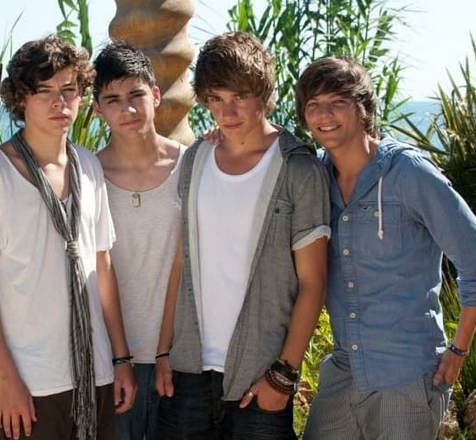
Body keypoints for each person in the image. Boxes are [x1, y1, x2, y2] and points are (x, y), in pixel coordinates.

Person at [297, 56, 476, 440]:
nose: (324, 115)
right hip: (343, 373)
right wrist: (220, 139)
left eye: (337, 103)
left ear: (363, 108)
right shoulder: (315, 176)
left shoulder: (409, 173)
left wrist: (458, 351)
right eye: (313, 105)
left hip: (406, 378)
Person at [0, 36, 136, 440]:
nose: (60, 103)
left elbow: (102, 266)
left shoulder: (89, 166)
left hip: (94, 374)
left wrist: (121, 358)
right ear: (21, 99)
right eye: (44, 91)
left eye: (69, 89)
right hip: (27, 383)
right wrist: (6, 378)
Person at [154, 31, 330, 439]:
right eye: (216, 98)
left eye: (239, 96)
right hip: (188, 370)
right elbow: (181, 261)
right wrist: (163, 350)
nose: (227, 111)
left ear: (263, 93)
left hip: (260, 373)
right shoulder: (196, 159)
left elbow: (314, 282)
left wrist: (284, 375)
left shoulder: (298, 169)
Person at [92, 40, 185, 440]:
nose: (127, 109)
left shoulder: (191, 164)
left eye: (136, 95)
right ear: (97, 109)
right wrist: (118, 358)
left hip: (179, 355)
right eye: (112, 100)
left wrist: (167, 349)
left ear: (156, 95)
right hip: (109, 357)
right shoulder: (87, 174)